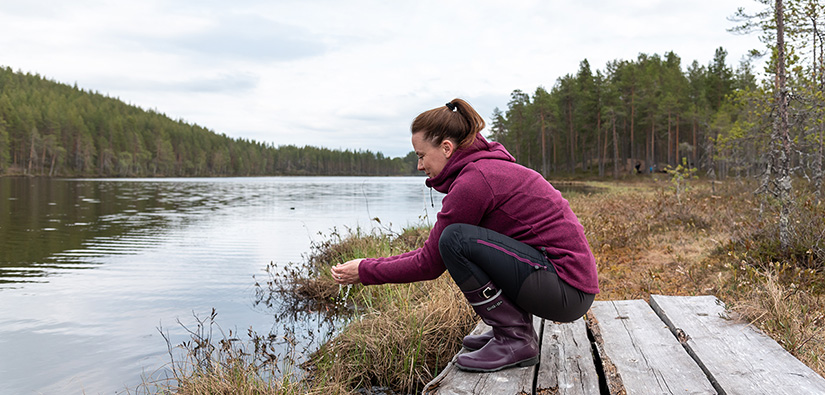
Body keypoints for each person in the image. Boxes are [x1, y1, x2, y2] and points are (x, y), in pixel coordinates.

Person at [331, 99, 599, 373]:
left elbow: (430, 263)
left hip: (566, 289)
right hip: (565, 285)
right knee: (461, 239)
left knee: (455, 239)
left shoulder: (475, 181)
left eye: (421, 155)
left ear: (447, 148)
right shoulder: (484, 170)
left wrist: (365, 270)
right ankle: (509, 329)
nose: (420, 166)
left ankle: (515, 338)